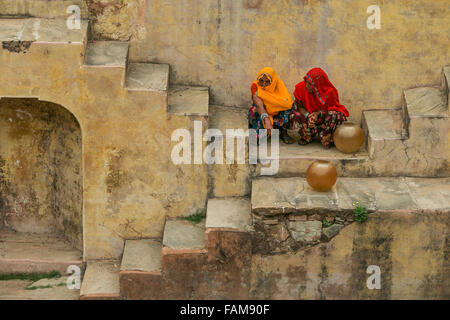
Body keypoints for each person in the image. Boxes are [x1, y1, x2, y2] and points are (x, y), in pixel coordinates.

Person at [289, 68, 349, 148]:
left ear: (318, 84)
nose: (307, 86)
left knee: (338, 116)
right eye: (306, 82)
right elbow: (300, 107)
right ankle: (307, 136)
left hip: (323, 122)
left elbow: (333, 110)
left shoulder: (329, 92)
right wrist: (309, 116)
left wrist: (318, 114)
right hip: (309, 122)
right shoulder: (301, 88)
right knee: (293, 114)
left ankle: (326, 138)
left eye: (310, 84)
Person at [248, 67, 295, 143]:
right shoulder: (255, 85)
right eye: (261, 80)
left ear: (272, 81)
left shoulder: (278, 84)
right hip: (262, 112)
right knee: (253, 109)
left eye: (267, 82)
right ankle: (258, 128)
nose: (263, 84)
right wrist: (266, 119)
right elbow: (258, 103)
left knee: (291, 110)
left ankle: (283, 132)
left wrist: (275, 106)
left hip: (277, 114)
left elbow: (287, 102)